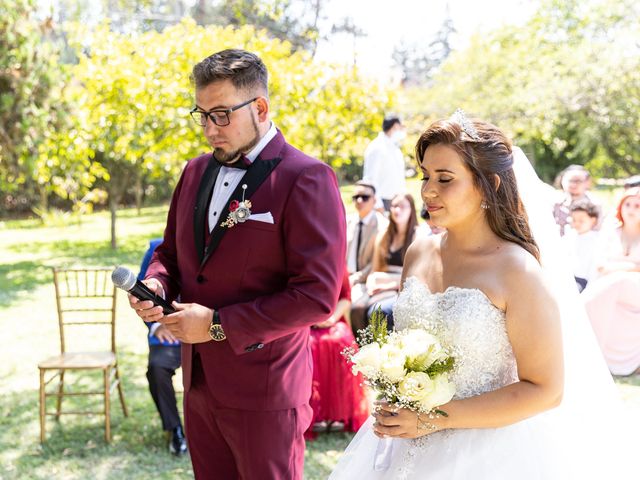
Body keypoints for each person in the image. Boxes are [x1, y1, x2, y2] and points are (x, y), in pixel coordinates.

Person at [330, 113, 635, 479]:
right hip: (403, 446)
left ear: (488, 184)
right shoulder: (418, 253)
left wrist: (431, 419)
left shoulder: (517, 272)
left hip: (487, 453)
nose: (427, 190)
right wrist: (397, 390)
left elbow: (546, 390)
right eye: (425, 175)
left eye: (445, 179)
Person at [128, 49, 345, 479]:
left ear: (260, 107)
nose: (209, 128)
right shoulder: (192, 172)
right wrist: (156, 285)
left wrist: (216, 325)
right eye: (202, 114)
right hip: (198, 384)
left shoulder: (307, 177)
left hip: (266, 390)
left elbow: (317, 297)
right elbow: (169, 254)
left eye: (222, 114)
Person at [582, 187, 640, 375]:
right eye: (627, 204)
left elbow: (608, 266)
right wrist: (630, 265)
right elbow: (599, 264)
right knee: (613, 285)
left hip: (634, 288)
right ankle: (592, 355)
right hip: (608, 284)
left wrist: (615, 267)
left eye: (637, 205)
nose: (631, 209)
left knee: (619, 281)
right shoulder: (611, 231)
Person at [138, 238, 187, 456]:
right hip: (168, 331)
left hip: (209, 330)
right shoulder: (156, 248)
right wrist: (157, 324)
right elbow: (141, 292)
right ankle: (175, 429)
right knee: (157, 368)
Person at [307, 267, 369, 437]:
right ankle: (312, 414)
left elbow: (345, 298)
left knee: (341, 340)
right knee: (311, 344)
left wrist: (331, 318)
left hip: (331, 320)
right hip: (303, 323)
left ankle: (339, 413)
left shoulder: (337, 262)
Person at [363, 193, 418, 329]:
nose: (396, 210)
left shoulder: (417, 236)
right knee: (356, 308)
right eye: (394, 206)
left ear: (411, 209)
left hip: (402, 286)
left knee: (376, 312)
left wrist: (387, 285)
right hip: (380, 282)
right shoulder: (384, 235)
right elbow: (375, 270)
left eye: (402, 206)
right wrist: (371, 284)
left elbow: (416, 277)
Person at [346, 181, 387, 312]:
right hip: (344, 278)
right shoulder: (348, 221)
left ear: (374, 200)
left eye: (365, 197)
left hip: (364, 281)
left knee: (354, 306)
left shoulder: (383, 226)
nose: (359, 200)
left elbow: (376, 263)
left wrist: (354, 278)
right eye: (355, 197)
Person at [362, 116, 407, 212]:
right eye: (400, 127)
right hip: (382, 202)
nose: (402, 131)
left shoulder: (394, 148)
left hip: (397, 200)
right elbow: (370, 179)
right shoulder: (377, 148)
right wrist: (378, 204)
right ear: (394, 127)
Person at [561, 200, 600, 291]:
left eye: (581, 221)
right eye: (574, 220)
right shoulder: (569, 237)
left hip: (584, 281)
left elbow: (594, 267)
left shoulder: (596, 240)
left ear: (593, 220)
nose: (577, 223)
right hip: (567, 277)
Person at [552, 164, 601, 235]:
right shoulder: (555, 203)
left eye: (578, 181)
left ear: (587, 182)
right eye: (570, 180)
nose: (573, 184)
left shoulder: (595, 205)